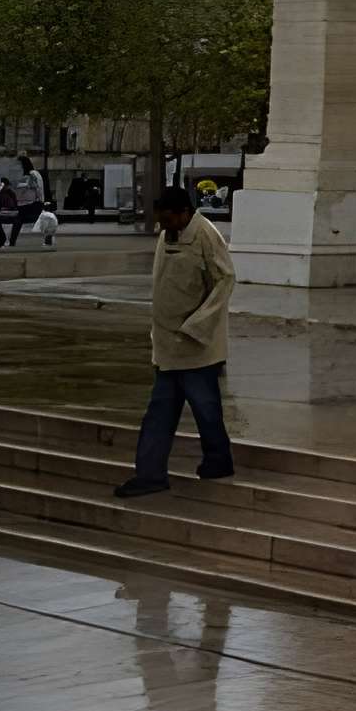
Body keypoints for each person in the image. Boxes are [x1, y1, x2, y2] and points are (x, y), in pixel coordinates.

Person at [114, 184, 236, 498]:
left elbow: (224, 281)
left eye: (168, 220)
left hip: (196, 344)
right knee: (160, 412)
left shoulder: (207, 236)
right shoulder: (167, 234)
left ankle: (218, 461)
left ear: (185, 213)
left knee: (206, 410)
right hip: (168, 344)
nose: (163, 227)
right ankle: (150, 474)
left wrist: (198, 325)